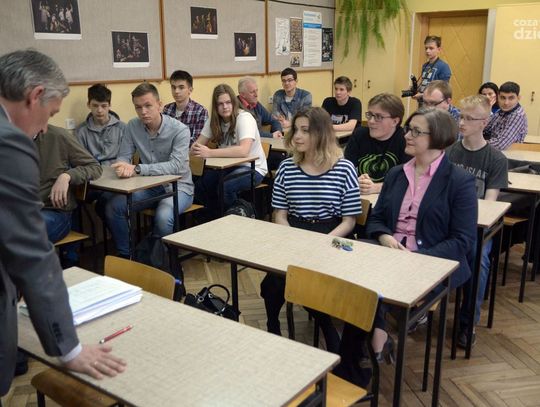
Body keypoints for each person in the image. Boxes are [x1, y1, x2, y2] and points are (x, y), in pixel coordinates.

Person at [0, 49, 125, 398]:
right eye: (51, 114)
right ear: (35, 95)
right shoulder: (10, 142)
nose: (44, 127)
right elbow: (31, 255)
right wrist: (69, 349)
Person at [335, 107, 478, 387]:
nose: (407, 136)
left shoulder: (459, 181)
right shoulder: (396, 174)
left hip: (430, 261)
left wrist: (416, 257)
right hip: (388, 253)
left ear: (437, 138)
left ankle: (356, 367)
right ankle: (372, 347)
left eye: (416, 131)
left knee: (365, 291)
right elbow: (376, 219)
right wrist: (385, 237)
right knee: (352, 279)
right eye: (408, 130)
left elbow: (462, 241)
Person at [260, 107, 362, 353]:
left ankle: (327, 328)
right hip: (294, 231)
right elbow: (280, 215)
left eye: (305, 130)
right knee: (273, 283)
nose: (297, 136)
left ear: (322, 133)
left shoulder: (344, 168)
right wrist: (296, 240)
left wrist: (321, 243)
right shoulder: (287, 168)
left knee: (313, 282)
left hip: (333, 233)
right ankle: (272, 324)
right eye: (295, 129)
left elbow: (349, 221)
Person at [447, 95, 508, 348]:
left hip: (476, 227)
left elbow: (489, 205)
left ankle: (467, 322)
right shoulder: (450, 152)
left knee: (479, 260)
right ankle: (422, 309)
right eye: (460, 116)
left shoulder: (496, 159)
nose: (462, 122)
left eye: (469, 118)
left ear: (484, 122)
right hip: (448, 225)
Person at [106, 83, 194, 258]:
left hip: (179, 187)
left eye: (148, 105)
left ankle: (163, 262)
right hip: (150, 187)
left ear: (159, 105)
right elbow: (124, 156)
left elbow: (176, 166)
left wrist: (138, 169)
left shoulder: (180, 130)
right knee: (113, 207)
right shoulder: (132, 126)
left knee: (163, 217)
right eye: (138, 107)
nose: (143, 112)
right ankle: (128, 257)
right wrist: (122, 166)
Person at [191, 84, 267, 214]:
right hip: (228, 167)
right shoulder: (214, 120)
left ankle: (241, 214)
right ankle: (215, 216)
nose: (225, 107)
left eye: (228, 102)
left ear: (234, 102)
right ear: (215, 106)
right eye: (220, 104)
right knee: (202, 184)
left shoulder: (244, 118)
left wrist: (209, 152)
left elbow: (243, 151)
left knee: (226, 186)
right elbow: (197, 145)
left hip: (253, 168)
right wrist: (193, 149)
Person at [35, 124, 102, 258]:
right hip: (21, 211)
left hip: (53, 210)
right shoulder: (9, 139)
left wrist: (67, 176)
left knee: (22, 232)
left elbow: (94, 167)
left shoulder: (58, 136)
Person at [77, 83, 125, 220]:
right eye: (95, 105)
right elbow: (79, 160)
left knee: (107, 202)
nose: (99, 110)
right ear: (88, 105)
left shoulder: (122, 128)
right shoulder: (81, 131)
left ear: (109, 105)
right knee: (71, 200)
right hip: (93, 181)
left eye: (104, 106)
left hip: (116, 180)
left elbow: (126, 157)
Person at [344, 93, 409, 195]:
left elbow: (408, 180)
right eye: (369, 115)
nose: (371, 121)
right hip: (362, 197)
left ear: (395, 121)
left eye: (378, 117)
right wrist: (355, 180)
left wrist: (377, 187)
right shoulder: (359, 134)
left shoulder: (406, 140)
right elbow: (345, 171)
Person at [162, 70, 208, 146]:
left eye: (181, 87)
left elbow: (196, 142)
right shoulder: (167, 109)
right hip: (168, 152)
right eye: (173, 87)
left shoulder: (200, 111)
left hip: (190, 152)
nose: (176, 91)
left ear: (190, 90)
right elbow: (163, 137)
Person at [484, 81, 528, 150]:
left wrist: (476, 143)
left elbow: (500, 144)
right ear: (498, 97)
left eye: (511, 98)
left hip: (506, 154)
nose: (506, 103)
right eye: (503, 98)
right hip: (494, 151)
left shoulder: (517, 115)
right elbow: (485, 128)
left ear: (518, 98)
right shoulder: (501, 111)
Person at [414, 35, 452, 101]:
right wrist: (415, 89)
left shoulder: (444, 66)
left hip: (435, 104)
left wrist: (422, 95)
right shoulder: (425, 65)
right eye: (426, 48)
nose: (427, 51)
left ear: (439, 49)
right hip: (423, 103)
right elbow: (425, 84)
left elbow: (443, 90)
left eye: (431, 48)